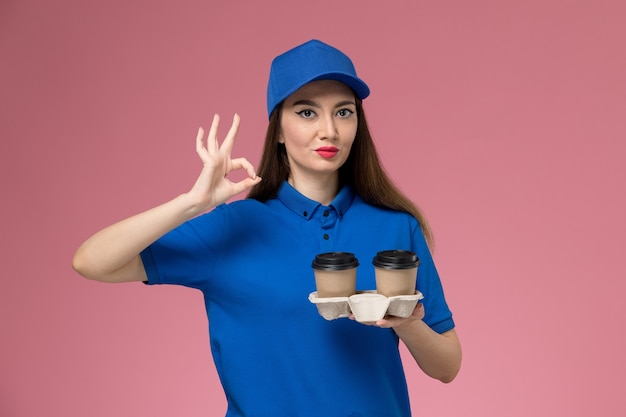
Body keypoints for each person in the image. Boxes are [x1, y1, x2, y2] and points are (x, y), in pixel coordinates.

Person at [73, 39, 461, 416]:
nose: (329, 129)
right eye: (307, 112)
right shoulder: (233, 228)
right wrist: (190, 204)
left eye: (344, 112)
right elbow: (92, 261)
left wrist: (408, 323)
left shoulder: (395, 227)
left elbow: (447, 366)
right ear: (277, 128)